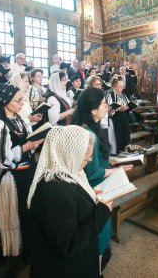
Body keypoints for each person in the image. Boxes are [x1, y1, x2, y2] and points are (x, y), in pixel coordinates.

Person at [27, 125, 113, 278]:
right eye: (86, 157)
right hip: (63, 269)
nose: (89, 160)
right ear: (71, 154)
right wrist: (102, 211)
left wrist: (90, 196)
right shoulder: (53, 189)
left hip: (76, 263)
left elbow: (73, 202)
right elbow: (68, 245)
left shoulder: (71, 174)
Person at [72, 88, 132, 274]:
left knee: (102, 228)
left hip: (98, 183)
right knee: (99, 230)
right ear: (92, 110)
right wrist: (116, 170)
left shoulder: (90, 128)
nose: (107, 108)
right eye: (104, 105)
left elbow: (97, 160)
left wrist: (112, 162)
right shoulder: (87, 133)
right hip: (95, 187)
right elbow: (92, 172)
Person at [0, 84, 44, 261]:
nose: (22, 102)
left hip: (28, 170)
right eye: (18, 100)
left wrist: (34, 143)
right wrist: (25, 147)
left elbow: (26, 138)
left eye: (22, 98)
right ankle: (19, 254)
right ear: (5, 101)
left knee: (29, 212)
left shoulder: (18, 117)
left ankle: (30, 248)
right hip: (15, 176)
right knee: (18, 215)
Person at [107, 78, 131, 152]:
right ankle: (117, 153)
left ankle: (126, 152)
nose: (122, 88)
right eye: (120, 86)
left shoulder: (123, 95)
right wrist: (118, 109)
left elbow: (128, 104)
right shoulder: (110, 95)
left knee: (126, 136)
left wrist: (127, 107)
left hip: (125, 118)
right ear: (114, 86)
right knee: (118, 137)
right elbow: (108, 111)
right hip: (116, 119)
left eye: (123, 86)